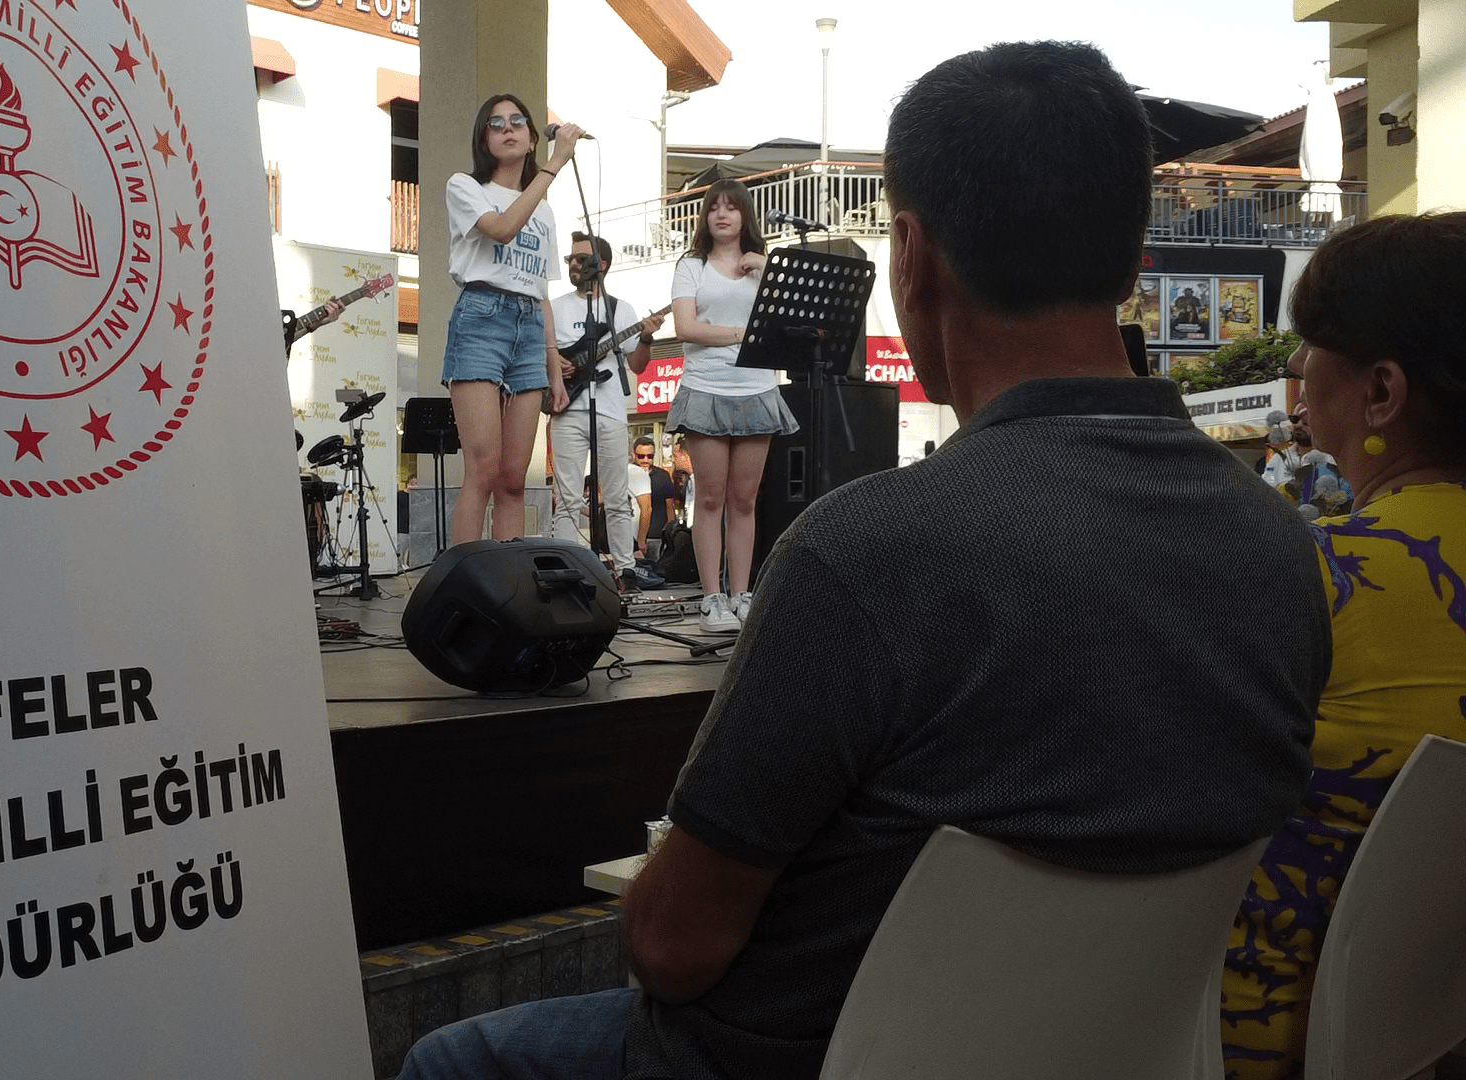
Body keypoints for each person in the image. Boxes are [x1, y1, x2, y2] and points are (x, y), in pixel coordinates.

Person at [396, 41, 1327, 1080]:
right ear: (1132, 256)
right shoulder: (1281, 550)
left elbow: (671, 946)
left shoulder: (866, 556)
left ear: (912, 256)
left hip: (788, 1057)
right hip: (1111, 1054)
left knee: (450, 1059)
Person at [1220, 212, 1466, 1080]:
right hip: (1430, 1034)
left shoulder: (1311, 576)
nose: (1296, 368)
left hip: (1260, 1038)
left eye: (1310, 348)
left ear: (1381, 393)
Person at [442, 94, 584, 544]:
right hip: (481, 316)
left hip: (529, 326)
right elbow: (501, 229)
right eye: (496, 123)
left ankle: (507, 579)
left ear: (531, 138)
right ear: (483, 137)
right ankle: (466, 578)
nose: (508, 128)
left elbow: (540, 290)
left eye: (518, 121)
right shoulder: (465, 186)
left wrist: (553, 364)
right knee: (483, 469)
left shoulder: (544, 210)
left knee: (514, 478)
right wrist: (554, 165)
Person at [667, 178, 797, 633]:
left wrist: (769, 270)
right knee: (709, 497)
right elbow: (686, 328)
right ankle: (711, 598)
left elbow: (785, 324)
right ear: (705, 217)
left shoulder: (764, 266)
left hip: (756, 387)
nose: (722, 214)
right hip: (706, 386)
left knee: (745, 500)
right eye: (714, 207)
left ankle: (742, 594)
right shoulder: (691, 266)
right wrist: (742, 334)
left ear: (746, 216)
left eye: (731, 207)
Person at [546, 232, 663, 585]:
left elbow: (638, 366)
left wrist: (646, 337)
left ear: (602, 265)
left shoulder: (620, 309)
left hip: (610, 410)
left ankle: (625, 568)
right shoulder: (554, 307)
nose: (574, 264)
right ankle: (567, 567)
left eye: (581, 259)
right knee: (567, 497)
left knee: (616, 496)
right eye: (570, 258)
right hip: (567, 409)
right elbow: (537, 354)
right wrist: (553, 365)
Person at [634, 434, 677, 559]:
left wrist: (669, 533)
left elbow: (669, 507)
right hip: (632, 536)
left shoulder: (662, 476)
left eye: (650, 456)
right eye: (641, 456)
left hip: (656, 536)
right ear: (634, 455)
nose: (645, 460)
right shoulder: (628, 474)